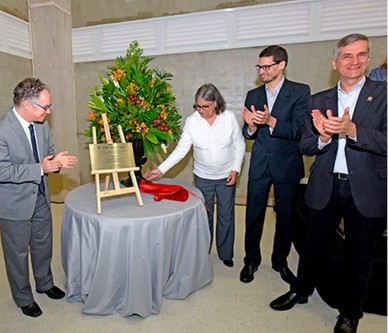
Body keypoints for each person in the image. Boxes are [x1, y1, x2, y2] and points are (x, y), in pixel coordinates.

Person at [270, 33, 386, 333]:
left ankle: (350, 313)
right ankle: (301, 290)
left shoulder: (384, 95)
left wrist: (352, 129)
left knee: (360, 255)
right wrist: (323, 137)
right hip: (325, 185)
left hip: (368, 189)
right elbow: (305, 147)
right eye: (347, 56)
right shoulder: (318, 100)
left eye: (361, 55)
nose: (354, 61)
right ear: (335, 62)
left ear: (368, 59)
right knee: (313, 246)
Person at [0, 78, 77, 317]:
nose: (49, 111)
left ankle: (45, 283)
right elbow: (2, 171)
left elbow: (47, 156)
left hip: (40, 196)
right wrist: (40, 168)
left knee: (42, 245)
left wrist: (56, 162)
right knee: (17, 254)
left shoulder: (42, 125)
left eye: (49, 107)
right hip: (13, 203)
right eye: (45, 107)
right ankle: (23, 297)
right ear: (26, 104)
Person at [144, 83, 245, 266]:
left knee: (226, 215)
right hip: (203, 176)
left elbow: (239, 144)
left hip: (226, 176)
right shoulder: (192, 121)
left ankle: (225, 254)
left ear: (215, 103)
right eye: (197, 106)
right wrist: (161, 169)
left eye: (205, 106)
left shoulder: (228, 118)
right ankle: (202, 251)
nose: (201, 110)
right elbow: (181, 151)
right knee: (204, 215)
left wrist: (235, 168)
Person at [240, 45, 311, 284]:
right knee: (253, 215)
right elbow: (248, 132)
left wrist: (271, 121)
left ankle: (280, 261)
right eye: (260, 66)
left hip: (287, 164)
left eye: (267, 66)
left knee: (285, 217)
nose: (262, 71)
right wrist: (250, 127)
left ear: (282, 65)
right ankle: (251, 260)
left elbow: (300, 130)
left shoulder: (300, 92)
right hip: (260, 163)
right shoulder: (253, 95)